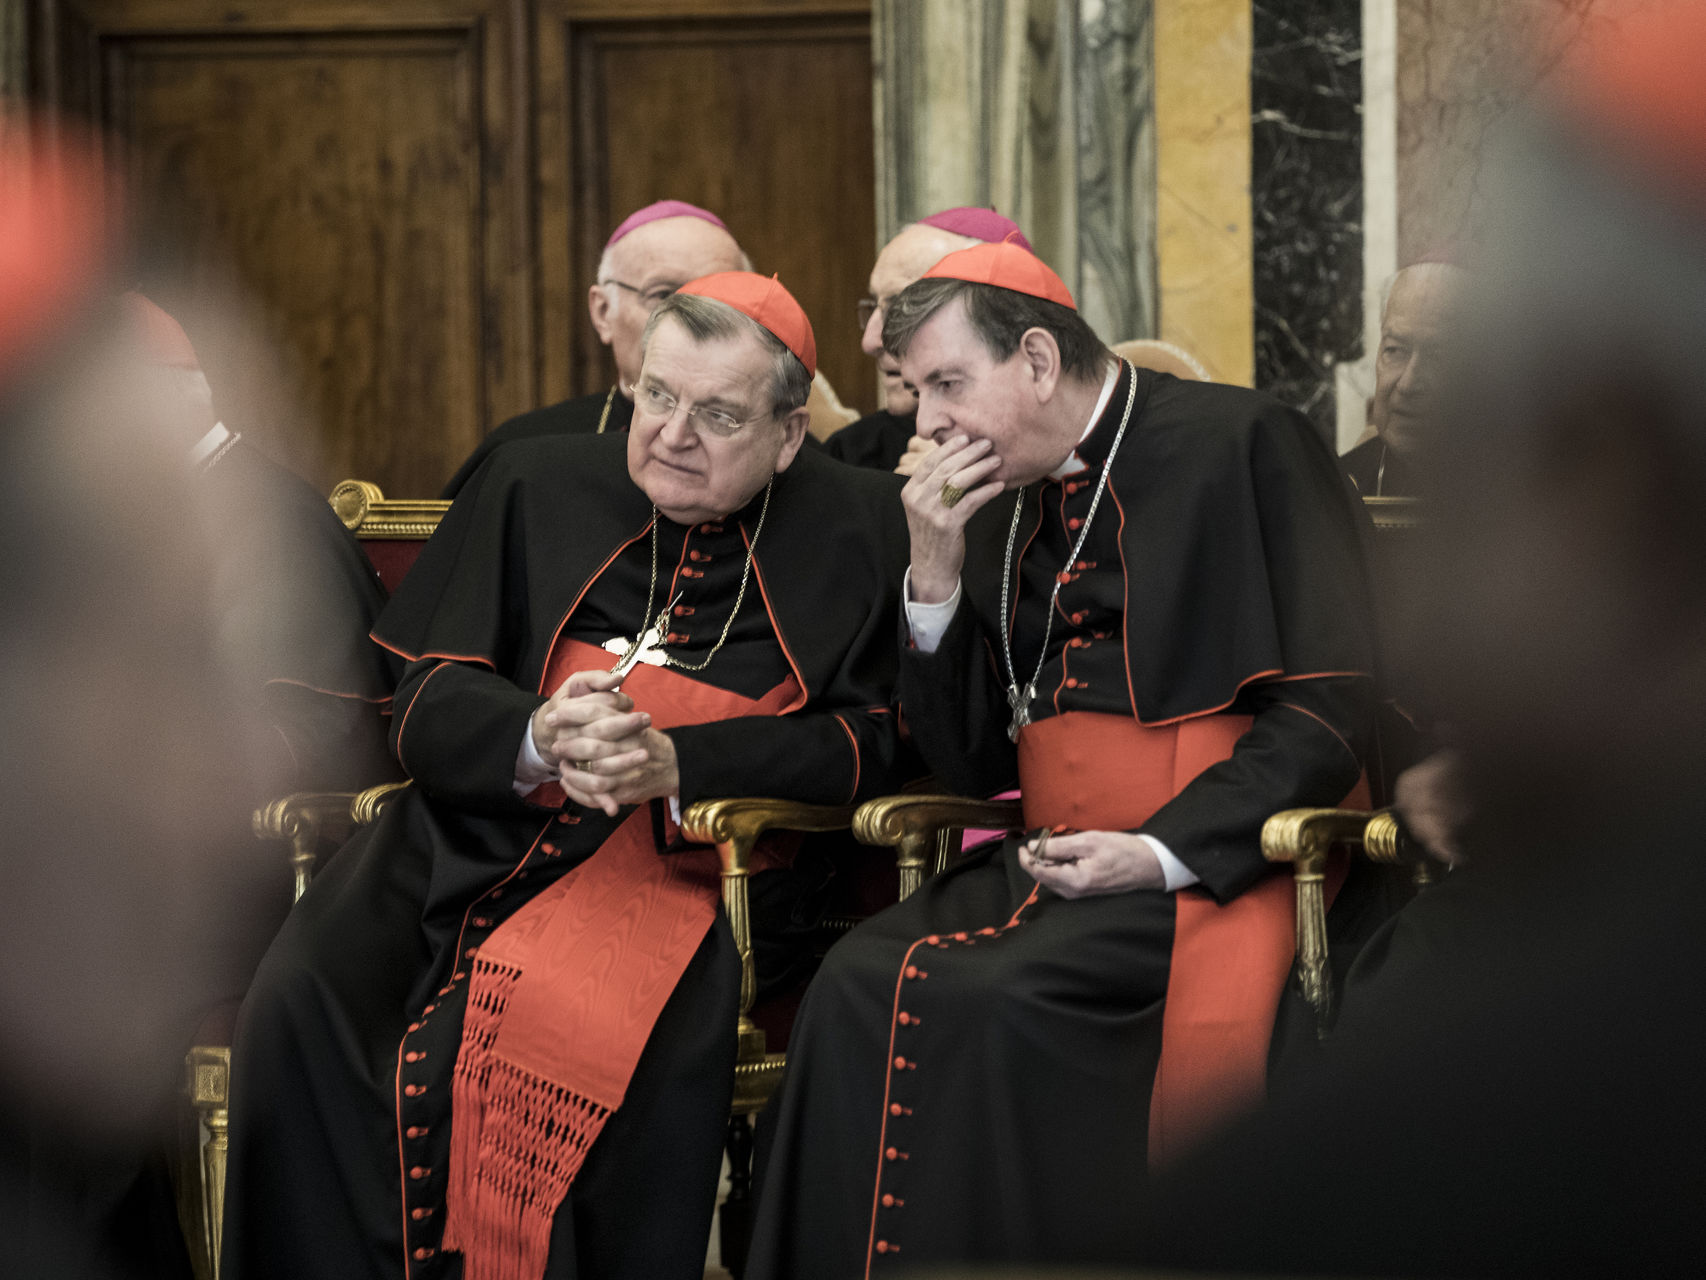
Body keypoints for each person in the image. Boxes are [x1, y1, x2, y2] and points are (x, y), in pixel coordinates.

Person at [1137, 6, 1706, 1274]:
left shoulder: (1411, 1155)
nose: (1411, 381)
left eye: (1458, 363)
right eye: (1394, 349)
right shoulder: (1325, 482)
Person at [221, 271, 917, 1280]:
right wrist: (536, 733)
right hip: (463, 839)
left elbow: (867, 742)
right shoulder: (528, 482)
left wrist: (682, 759)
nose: (673, 432)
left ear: (787, 431)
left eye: (716, 413)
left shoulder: (862, 525)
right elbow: (420, 700)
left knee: (555, 1049)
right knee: (297, 1003)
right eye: (657, 395)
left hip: (683, 870)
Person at [747, 241, 1379, 1276]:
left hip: (1221, 854)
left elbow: (1323, 708)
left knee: (994, 996)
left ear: (1037, 360)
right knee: (854, 978)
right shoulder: (999, 496)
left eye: (947, 384)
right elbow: (961, 756)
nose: (927, 423)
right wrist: (936, 571)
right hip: (1054, 851)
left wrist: (1162, 850)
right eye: (916, 394)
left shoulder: (1244, 441)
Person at [440, 200, 748, 496]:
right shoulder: (523, 451)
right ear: (603, 312)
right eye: (663, 294)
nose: (694, 322)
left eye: (717, 298)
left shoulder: (782, 451)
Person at [821, 207, 1031, 474]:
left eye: (902, 308)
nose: (871, 341)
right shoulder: (850, 455)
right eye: (874, 305)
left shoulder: (1049, 458)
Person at [1341, 256, 1468, 497]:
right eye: (1395, 350)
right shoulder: (1340, 487)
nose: (1408, 384)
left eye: (1437, 357)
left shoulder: (1529, 498)